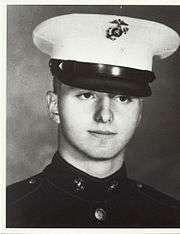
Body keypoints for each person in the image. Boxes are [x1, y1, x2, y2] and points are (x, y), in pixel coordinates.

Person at [6, 13, 180, 227]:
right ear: (54, 106)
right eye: (86, 95)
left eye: (123, 98)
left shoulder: (170, 216)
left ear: (139, 113)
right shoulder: (9, 211)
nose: (105, 115)